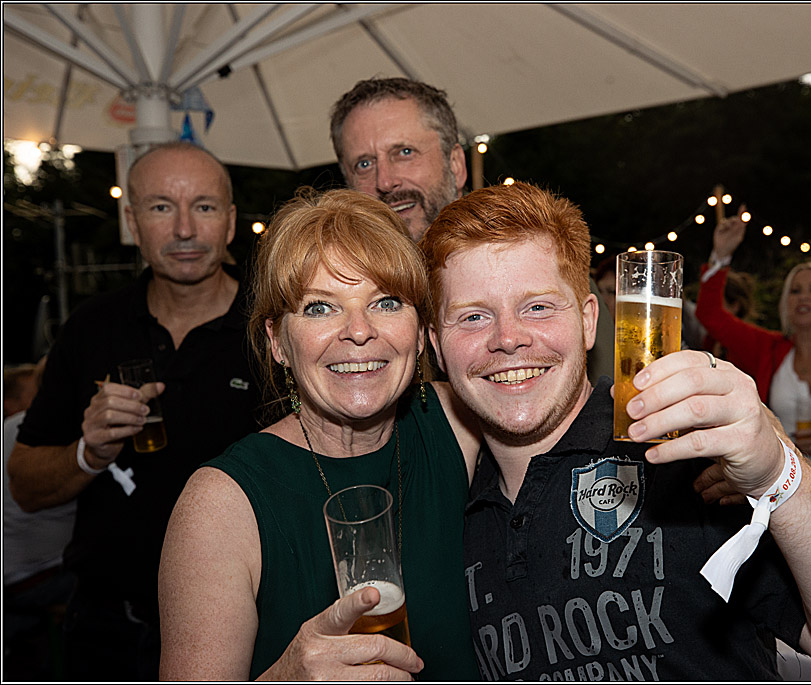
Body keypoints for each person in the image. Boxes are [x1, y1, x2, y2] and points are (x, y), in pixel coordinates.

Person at [420, 182, 811, 680]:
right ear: (437, 346)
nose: (508, 339)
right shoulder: (437, 502)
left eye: (537, 307)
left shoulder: (691, 457)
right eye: (472, 317)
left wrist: (779, 474)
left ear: (588, 321)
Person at [158, 188, 481, 680]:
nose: (358, 331)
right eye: (319, 308)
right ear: (277, 342)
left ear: (420, 332)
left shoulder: (462, 424)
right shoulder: (220, 506)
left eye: (386, 302)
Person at [7, 142, 260, 681]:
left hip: (250, 626)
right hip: (108, 635)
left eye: (206, 207)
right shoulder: (92, 327)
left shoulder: (273, 329)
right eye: (162, 207)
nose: (185, 229)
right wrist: (88, 452)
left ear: (232, 220)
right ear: (132, 220)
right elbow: (24, 484)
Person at [329, 76, 615, 385]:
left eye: (405, 152)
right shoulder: (345, 302)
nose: (385, 181)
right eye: (364, 165)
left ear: (456, 165)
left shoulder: (541, 267)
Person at [695, 209, 811, 460]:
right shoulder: (767, 348)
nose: (803, 297)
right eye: (795, 291)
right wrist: (721, 255)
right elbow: (710, 315)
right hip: (776, 480)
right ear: (786, 302)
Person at [3, 358, 76, 680]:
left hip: (13, 570)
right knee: (124, 588)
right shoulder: (57, 430)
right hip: (32, 577)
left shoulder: (13, 425)